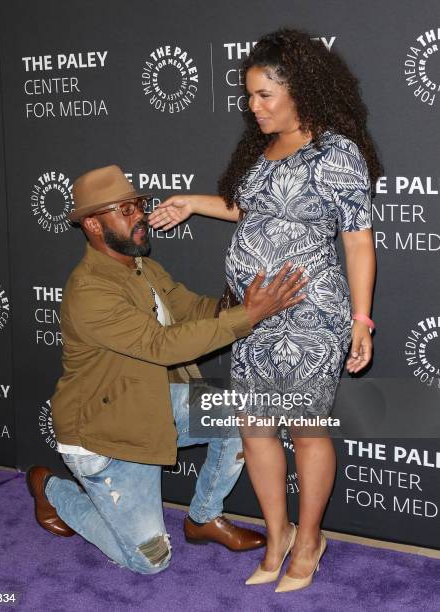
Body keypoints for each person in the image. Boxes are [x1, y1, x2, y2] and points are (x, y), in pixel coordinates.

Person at [148, 29, 380, 591]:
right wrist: (192, 203)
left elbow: (356, 240)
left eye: (263, 96)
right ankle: (276, 536)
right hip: (253, 317)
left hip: (310, 315)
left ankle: (308, 539)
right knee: (255, 429)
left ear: (299, 91)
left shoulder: (335, 152)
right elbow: (249, 207)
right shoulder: (261, 148)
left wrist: (361, 319)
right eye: (248, 97)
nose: (252, 108)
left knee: (304, 430)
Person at [27, 164, 308, 575]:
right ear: (91, 223)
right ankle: (51, 489)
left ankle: (203, 518)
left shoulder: (139, 266)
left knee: (242, 412)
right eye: (124, 210)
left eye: (138, 205)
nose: (139, 215)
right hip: (107, 437)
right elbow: (161, 345)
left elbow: (184, 306)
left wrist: (233, 307)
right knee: (150, 562)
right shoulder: (90, 290)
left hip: (151, 403)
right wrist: (247, 317)